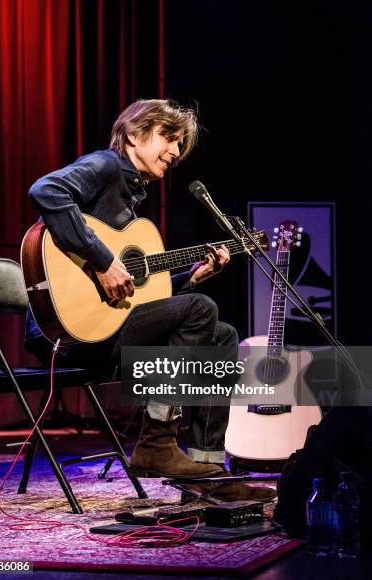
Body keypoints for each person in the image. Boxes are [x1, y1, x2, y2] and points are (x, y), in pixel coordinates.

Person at [25, 98, 275, 501]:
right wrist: (104, 260)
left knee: (223, 334)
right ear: (133, 135)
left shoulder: (132, 200)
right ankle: (157, 440)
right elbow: (47, 190)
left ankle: (207, 473)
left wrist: (190, 278)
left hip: (107, 327)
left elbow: (135, 296)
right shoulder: (105, 166)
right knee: (203, 310)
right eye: (169, 138)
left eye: (180, 144)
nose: (175, 151)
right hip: (65, 337)